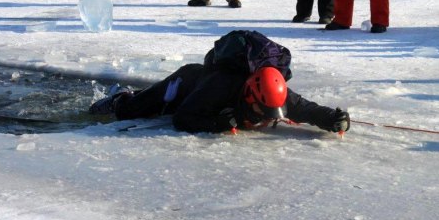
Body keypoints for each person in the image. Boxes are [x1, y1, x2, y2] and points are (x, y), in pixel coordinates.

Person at [89, 31, 350, 135]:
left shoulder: (272, 90)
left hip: (203, 90)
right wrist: (216, 124)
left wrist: (331, 118)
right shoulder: (221, 87)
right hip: (186, 83)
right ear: (250, 95)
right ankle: (120, 97)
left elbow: (304, 108)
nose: (265, 118)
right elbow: (183, 118)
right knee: (133, 110)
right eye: (263, 112)